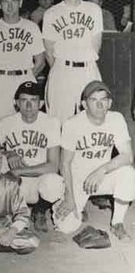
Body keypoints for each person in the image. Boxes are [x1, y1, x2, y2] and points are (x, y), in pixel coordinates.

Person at [54, 81, 135, 241]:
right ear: (84, 104)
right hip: (78, 180)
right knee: (66, 226)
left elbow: (128, 156)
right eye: (93, 100)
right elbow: (64, 164)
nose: (99, 105)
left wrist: (101, 170)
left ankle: (117, 222)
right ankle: (78, 207)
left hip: (101, 177)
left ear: (109, 103)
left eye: (103, 99)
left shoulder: (116, 119)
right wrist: (69, 198)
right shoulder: (72, 124)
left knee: (129, 173)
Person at [0, 81, 64, 232]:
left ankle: (39, 210)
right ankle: (19, 213)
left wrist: (20, 171)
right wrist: (8, 153)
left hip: (39, 178)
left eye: (33, 101)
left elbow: (53, 165)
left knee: (55, 183)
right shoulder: (5, 123)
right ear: (16, 103)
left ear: (41, 103)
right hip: (16, 183)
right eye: (24, 100)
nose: (28, 106)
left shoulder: (51, 123)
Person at [42, 0, 103, 124]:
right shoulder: (51, 13)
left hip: (88, 68)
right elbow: (49, 51)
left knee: (92, 119)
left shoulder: (94, 10)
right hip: (62, 69)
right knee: (60, 121)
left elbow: (96, 45)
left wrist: (83, 60)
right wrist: (62, 67)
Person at [0, 0, 45, 125]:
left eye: (13, 1)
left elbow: (40, 62)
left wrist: (26, 77)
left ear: (20, 3)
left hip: (24, 78)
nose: (10, 6)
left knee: (27, 126)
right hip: (0, 80)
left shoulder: (31, 27)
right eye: (5, 1)